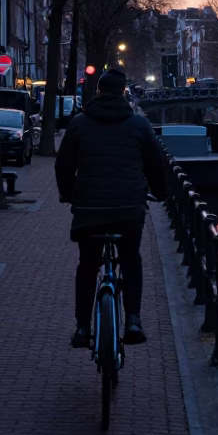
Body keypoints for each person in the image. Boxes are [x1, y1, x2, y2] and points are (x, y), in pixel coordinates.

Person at [56, 67, 168, 349]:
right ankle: (132, 320)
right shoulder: (140, 125)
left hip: (88, 211)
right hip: (129, 208)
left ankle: (83, 328)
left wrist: (68, 194)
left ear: (98, 92)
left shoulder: (79, 123)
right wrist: (160, 192)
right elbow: (156, 164)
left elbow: (63, 165)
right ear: (124, 93)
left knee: (87, 266)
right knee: (130, 260)